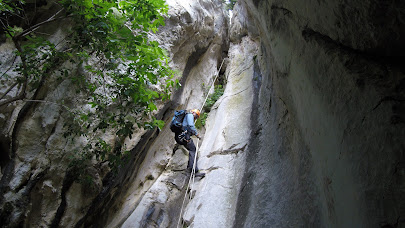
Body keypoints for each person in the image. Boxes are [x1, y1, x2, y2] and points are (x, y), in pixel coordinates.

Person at [173, 109, 205, 178]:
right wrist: (197, 134)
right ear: (194, 113)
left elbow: (188, 128)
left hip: (180, 137)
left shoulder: (185, 117)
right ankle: (194, 171)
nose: (195, 118)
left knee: (192, 150)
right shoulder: (190, 115)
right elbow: (191, 125)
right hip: (184, 137)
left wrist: (192, 133)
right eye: (196, 116)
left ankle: (190, 168)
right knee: (193, 151)